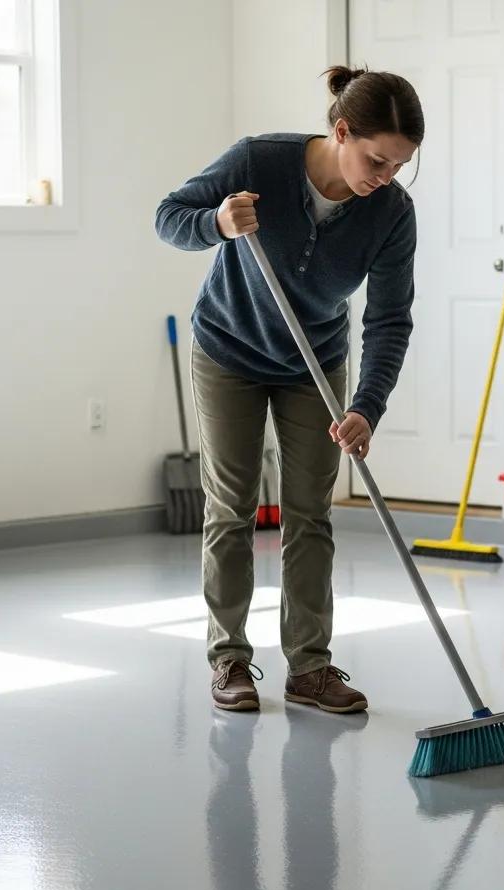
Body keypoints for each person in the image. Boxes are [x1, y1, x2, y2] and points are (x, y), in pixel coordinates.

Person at [155, 66, 423, 715]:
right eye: (377, 160)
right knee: (232, 505)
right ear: (342, 131)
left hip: (315, 363)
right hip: (229, 350)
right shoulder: (260, 160)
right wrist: (217, 222)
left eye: (400, 165)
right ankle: (229, 659)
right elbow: (169, 218)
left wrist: (366, 407)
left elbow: (389, 319)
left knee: (310, 512)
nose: (385, 176)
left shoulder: (391, 212)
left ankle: (310, 668)